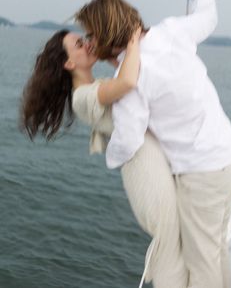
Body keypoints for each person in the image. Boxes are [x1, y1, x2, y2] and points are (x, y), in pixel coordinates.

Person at [75, 0, 231, 288]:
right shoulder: (171, 31)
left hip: (201, 172)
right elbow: (208, 14)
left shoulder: (130, 80)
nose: (87, 42)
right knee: (215, 250)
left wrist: (111, 155)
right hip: (227, 154)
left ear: (104, 35)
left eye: (90, 34)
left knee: (202, 260)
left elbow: (130, 138)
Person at [20, 28, 188, 287]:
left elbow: (130, 81)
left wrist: (117, 54)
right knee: (171, 244)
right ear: (69, 62)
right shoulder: (83, 98)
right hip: (146, 173)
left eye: (85, 40)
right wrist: (132, 40)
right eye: (79, 43)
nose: (87, 44)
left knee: (179, 243)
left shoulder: (96, 86)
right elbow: (128, 82)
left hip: (154, 164)